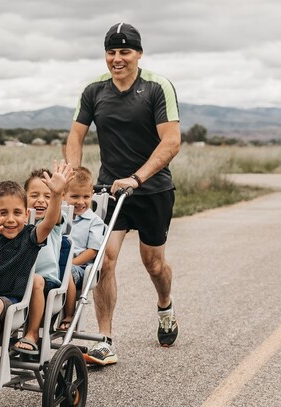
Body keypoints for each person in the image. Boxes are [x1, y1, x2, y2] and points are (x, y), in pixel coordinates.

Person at [65, 22, 181, 365]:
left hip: (152, 189)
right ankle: (105, 338)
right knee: (104, 259)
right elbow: (76, 136)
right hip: (109, 189)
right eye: (111, 52)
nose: (117, 58)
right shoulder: (93, 91)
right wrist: (73, 175)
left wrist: (138, 177)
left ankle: (165, 307)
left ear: (139, 53)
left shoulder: (157, 87)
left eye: (125, 51)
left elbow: (171, 141)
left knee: (154, 263)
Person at [0, 161, 72, 383]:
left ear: (26, 213)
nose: (11, 219)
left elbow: (48, 223)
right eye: (3, 213)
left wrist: (56, 194)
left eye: (17, 213)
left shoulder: (30, 237)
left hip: (14, 300)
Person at [56, 166, 106, 333]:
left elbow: (93, 251)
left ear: (92, 195)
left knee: (67, 271)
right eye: (74, 196)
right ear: (63, 195)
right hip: (55, 261)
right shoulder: (59, 216)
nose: (80, 201)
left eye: (86, 196)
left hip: (80, 267)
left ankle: (70, 314)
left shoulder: (94, 221)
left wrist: (70, 263)